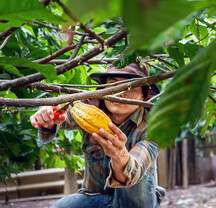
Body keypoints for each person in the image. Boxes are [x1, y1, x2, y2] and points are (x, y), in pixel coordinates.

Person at [30, 61, 165, 208]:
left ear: (144, 95)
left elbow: (132, 175)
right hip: (96, 198)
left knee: (135, 177)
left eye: (130, 86)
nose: (119, 92)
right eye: (113, 84)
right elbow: (60, 116)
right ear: (104, 88)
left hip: (136, 202)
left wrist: (120, 156)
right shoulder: (90, 108)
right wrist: (49, 116)